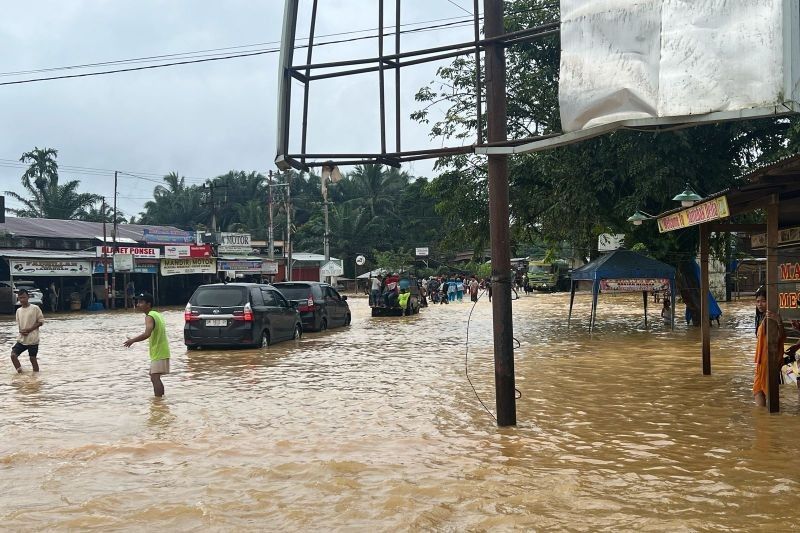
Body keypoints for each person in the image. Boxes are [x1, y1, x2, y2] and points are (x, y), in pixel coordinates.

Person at [123, 293, 171, 397]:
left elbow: (147, 334)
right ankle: (161, 401)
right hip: (162, 350)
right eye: (138, 302)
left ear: (148, 304)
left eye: (141, 302)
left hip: (159, 351)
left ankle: (158, 402)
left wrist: (132, 340)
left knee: (154, 377)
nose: (138, 304)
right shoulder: (157, 314)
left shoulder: (149, 317)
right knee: (154, 376)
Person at [752, 286, 786, 407]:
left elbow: (780, 338)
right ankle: (764, 421)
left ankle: (768, 418)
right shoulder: (763, 317)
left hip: (769, 360)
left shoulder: (772, 317)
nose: (760, 304)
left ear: (769, 301)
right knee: (758, 391)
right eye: (757, 301)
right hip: (761, 362)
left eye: (763, 301)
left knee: (765, 391)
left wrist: (779, 321)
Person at [11, 289, 45, 373]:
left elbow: (41, 322)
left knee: (32, 358)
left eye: (24, 297)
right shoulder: (18, 311)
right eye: (20, 298)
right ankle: (20, 373)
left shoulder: (35, 308)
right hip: (22, 338)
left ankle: (36, 377)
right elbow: (19, 325)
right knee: (13, 355)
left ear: (28, 297)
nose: (22, 300)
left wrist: (29, 330)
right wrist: (21, 331)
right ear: (18, 298)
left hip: (33, 339)